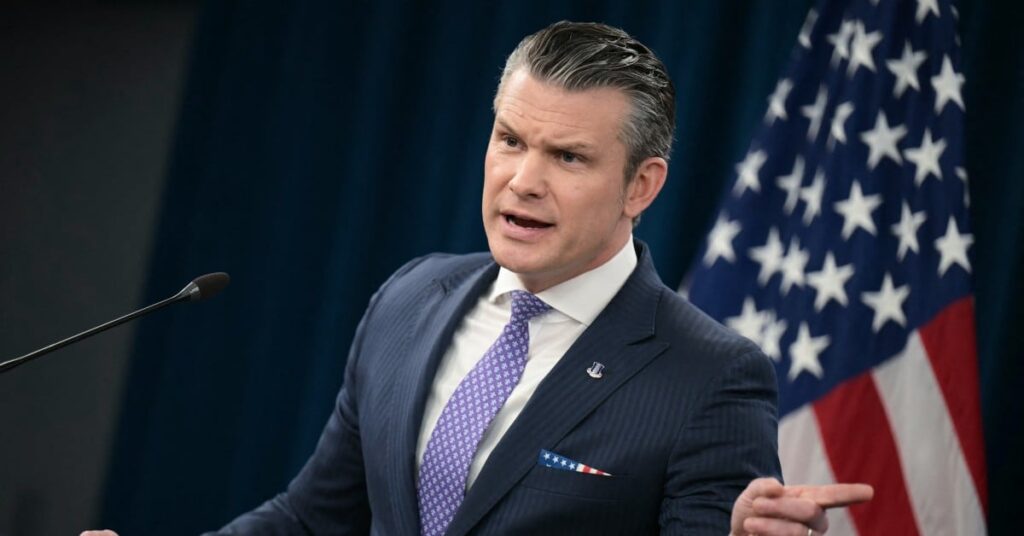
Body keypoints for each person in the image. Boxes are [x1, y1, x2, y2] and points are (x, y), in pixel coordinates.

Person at [84, 21, 871, 536]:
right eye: (510, 140)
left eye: (568, 157)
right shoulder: (409, 298)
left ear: (641, 185)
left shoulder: (710, 376)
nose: (523, 181)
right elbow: (315, 518)